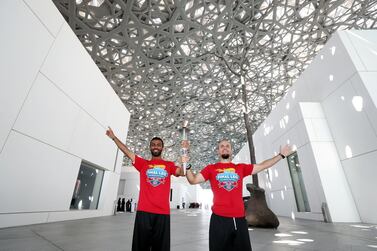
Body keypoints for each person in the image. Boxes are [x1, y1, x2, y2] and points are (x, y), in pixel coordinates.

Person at [186, 139, 292, 251]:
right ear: (218, 151)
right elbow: (193, 180)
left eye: (227, 146)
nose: (225, 147)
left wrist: (281, 156)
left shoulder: (240, 168)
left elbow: (262, 166)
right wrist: (187, 166)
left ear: (231, 150)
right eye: (222, 146)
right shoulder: (211, 169)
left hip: (240, 220)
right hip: (219, 220)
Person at [106, 127, 185, 251]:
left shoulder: (169, 165)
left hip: (163, 213)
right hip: (144, 212)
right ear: (150, 147)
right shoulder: (143, 164)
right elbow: (126, 151)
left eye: (158, 145)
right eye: (153, 144)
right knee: (140, 246)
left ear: (162, 148)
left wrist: (184, 158)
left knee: (161, 247)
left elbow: (181, 172)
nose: (156, 146)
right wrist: (113, 137)